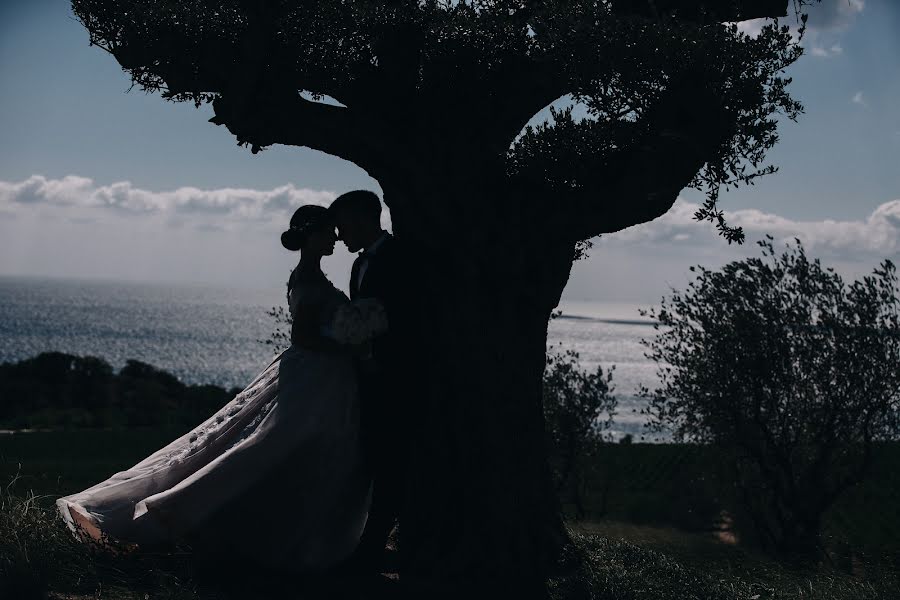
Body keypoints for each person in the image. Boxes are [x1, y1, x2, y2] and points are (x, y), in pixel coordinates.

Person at [56, 205, 386, 575]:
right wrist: (351, 346)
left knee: (284, 451)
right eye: (329, 232)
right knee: (268, 450)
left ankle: (282, 532)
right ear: (312, 235)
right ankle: (179, 513)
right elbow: (304, 336)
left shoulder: (309, 273)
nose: (336, 238)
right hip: (314, 377)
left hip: (320, 377)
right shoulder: (309, 277)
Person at [328, 190, 416, 574]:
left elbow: (410, 318)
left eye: (342, 225)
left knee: (393, 460)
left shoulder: (401, 258)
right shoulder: (358, 265)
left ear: (363, 219)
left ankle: (375, 546)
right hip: (365, 377)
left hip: (397, 378)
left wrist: (377, 357)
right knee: (372, 456)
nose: (339, 233)